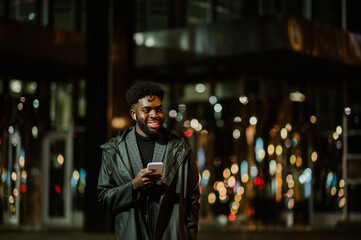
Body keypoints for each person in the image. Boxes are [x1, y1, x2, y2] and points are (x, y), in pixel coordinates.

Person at [97, 81, 200, 240]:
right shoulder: (114, 151)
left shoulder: (180, 149)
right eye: (147, 110)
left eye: (158, 109)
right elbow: (104, 198)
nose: (154, 114)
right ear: (133, 114)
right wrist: (133, 186)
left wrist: (190, 235)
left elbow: (192, 198)